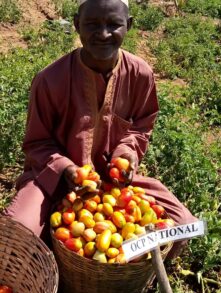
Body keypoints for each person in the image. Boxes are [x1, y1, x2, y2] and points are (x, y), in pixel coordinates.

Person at [3, 0, 196, 257]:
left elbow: (141, 125)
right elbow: (37, 144)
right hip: (53, 179)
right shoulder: (50, 79)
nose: (103, 34)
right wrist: (67, 170)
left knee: (183, 225)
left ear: (128, 25)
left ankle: (127, 276)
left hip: (114, 181)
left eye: (114, 24)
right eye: (92, 24)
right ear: (76, 25)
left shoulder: (141, 74)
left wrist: (126, 154)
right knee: (17, 234)